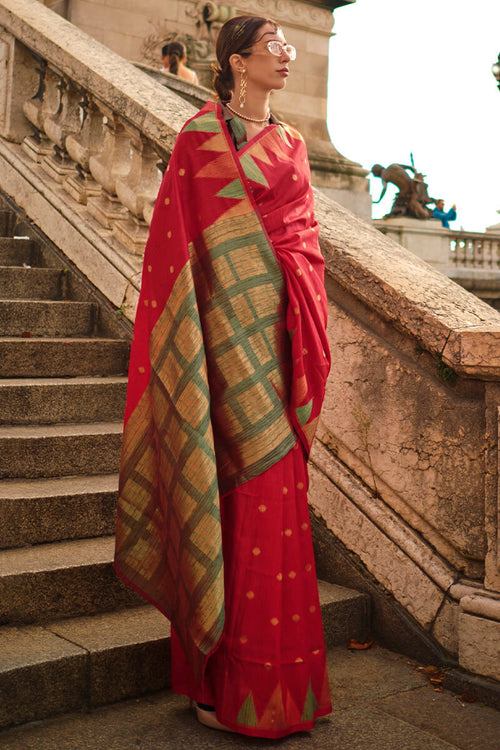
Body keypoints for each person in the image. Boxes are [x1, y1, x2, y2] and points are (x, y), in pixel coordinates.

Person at [115, 14, 332, 739]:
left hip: (275, 343)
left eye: (288, 44)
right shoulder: (199, 139)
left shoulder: (296, 145)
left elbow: (304, 239)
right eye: (273, 44)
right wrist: (200, 334)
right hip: (210, 348)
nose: (287, 53)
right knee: (219, 497)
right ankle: (216, 682)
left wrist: (283, 283)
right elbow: (173, 253)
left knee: (273, 501)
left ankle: (276, 691)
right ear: (237, 61)